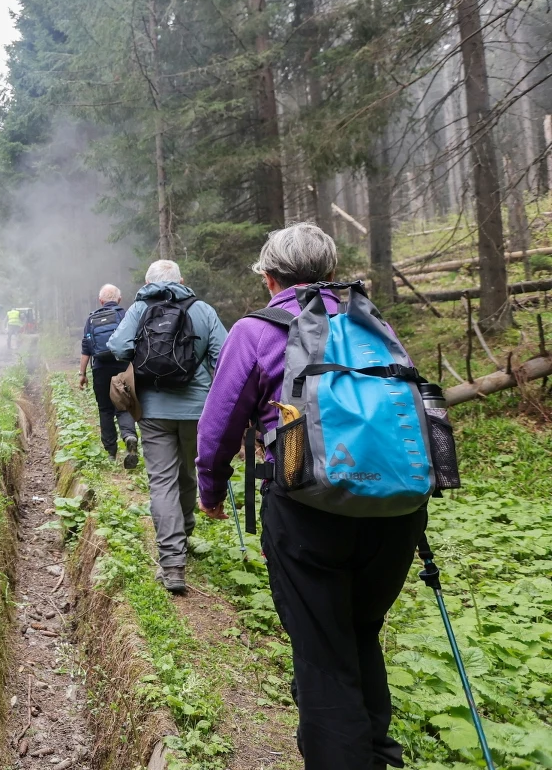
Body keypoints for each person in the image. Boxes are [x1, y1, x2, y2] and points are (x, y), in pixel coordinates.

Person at [194, 223, 425, 770]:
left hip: (307, 508)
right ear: (328, 271)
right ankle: (376, 750)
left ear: (269, 276)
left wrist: (210, 489)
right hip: (394, 510)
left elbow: (220, 422)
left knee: (321, 649)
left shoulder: (256, 330)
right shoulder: (371, 319)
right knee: (361, 630)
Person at [107, 260, 227, 594]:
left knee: (161, 482)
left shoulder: (140, 307)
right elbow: (225, 357)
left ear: (148, 282)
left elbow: (116, 346)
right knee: (188, 474)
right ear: (182, 281)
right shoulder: (201, 309)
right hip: (198, 411)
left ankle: (172, 564)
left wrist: (143, 355)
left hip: (154, 409)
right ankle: (184, 534)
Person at [79, 284, 139, 468]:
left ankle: (111, 452)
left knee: (105, 409)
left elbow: (86, 349)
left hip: (100, 369)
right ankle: (129, 435)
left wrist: (82, 374)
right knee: (124, 405)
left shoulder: (91, 319)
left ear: (101, 301)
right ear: (119, 300)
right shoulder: (125, 315)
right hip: (122, 366)